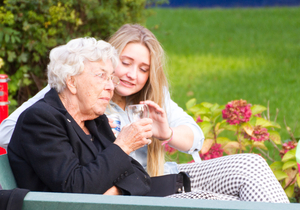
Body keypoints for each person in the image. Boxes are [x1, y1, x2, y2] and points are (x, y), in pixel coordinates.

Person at [1, 24, 289, 202]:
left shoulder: (98, 113)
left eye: (143, 69)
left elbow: (139, 174)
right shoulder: (55, 108)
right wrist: (121, 144)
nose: (116, 80)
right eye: (117, 67)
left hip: (155, 184)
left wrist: (166, 134)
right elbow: (76, 184)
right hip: (147, 194)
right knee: (222, 203)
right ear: (71, 81)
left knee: (250, 165)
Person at [7, 37, 153, 195]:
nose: (111, 87)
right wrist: (123, 146)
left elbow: (142, 178)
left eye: (111, 78)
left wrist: (114, 193)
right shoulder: (40, 119)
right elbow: (75, 188)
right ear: (71, 82)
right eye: (101, 76)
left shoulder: (94, 121)